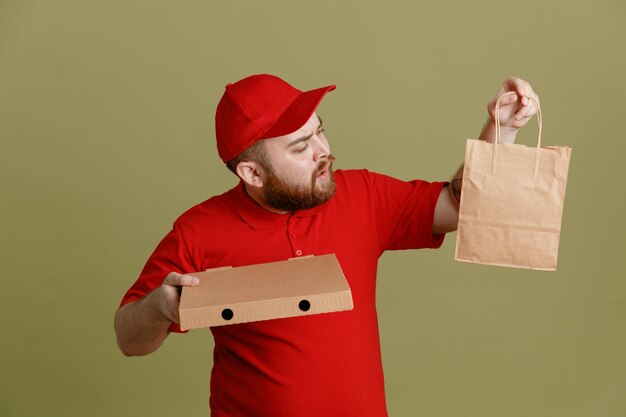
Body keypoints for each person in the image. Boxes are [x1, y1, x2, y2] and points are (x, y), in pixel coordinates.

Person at [114, 73, 539, 417]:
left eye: (320, 132)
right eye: (301, 147)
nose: (324, 151)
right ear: (251, 174)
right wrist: (160, 307)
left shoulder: (362, 195)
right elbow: (129, 339)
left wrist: (500, 131)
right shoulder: (198, 230)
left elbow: (462, 206)